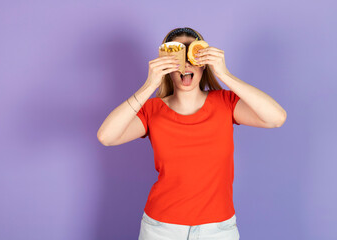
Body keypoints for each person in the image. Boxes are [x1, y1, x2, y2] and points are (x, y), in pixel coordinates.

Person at [97, 27, 287, 240]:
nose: (186, 63)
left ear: (203, 63)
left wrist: (224, 74)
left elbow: (276, 118)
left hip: (218, 230)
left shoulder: (225, 103)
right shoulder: (151, 110)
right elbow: (106, 136)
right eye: (177, 54)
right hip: (161, 229)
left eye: (193, 55)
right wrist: (149, 85)